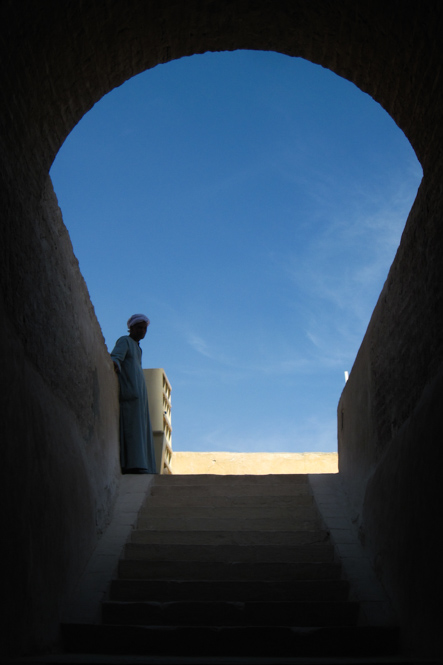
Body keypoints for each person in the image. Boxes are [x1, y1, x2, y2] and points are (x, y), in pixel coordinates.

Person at [110, 313, 156, 474]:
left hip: (139, 396)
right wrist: (114, 364)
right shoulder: (125, 341)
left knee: (141, 430)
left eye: (144, 328)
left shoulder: (138, 348)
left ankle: (143, 464)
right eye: (139, 327)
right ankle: (133, 464)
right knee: (132, 430)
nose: (142, 331)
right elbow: (116, 357)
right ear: (131, 328)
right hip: (130, 392)